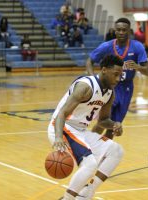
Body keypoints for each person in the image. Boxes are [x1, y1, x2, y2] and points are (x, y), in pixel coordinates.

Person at [48, 55, 124, 200]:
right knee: (90, 164)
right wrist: (58, 137)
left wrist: (115, 125)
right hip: (62, 127)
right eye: (115, 74)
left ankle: (86, 193)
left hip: (80, 130)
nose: (118, 79)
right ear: (104, 70)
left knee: (116, 151)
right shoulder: (85, 87)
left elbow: (103, 121)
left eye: (121, 75)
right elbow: (62, 114)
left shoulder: (109, 93)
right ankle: (68, 198)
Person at [86, 17, 148, 139]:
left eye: (124, 30)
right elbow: (89, 61)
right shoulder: (106, 46)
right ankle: (88, 147)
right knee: (102, 123)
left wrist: (137, 66)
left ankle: (102, 154)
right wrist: (93, 79)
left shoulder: (137, 47)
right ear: (115, 31)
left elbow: (147, 71)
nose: (121, 32)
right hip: (109, 88)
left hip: (126, 89)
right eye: (118, 30)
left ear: (129, 31)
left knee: (114, 127)